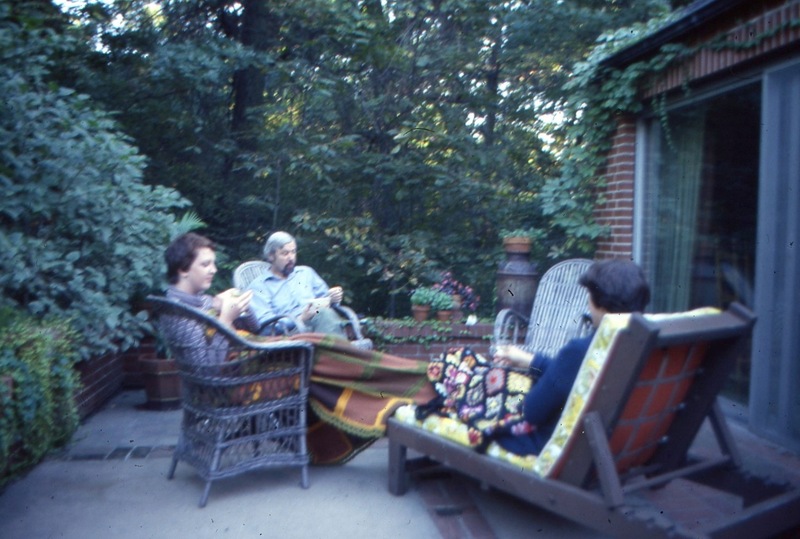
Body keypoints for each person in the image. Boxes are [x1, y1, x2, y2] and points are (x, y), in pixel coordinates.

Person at [160, 232, 436, 465]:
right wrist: (227, 318)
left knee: (324, 342)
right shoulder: (183, 311)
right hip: (255, 359)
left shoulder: (200, 300)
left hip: (277, 343)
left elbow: (251, 325)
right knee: (322, 355)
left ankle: (405, 385)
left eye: (213, 263)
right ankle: (413, 385)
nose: (213, 269)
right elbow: (211, 367)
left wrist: (236, 306)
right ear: (184, 269)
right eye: (205, 264)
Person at [490, 259, 651, 456]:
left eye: (589, 296)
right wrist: (532, 361)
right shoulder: (641, 346)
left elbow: (532, 411)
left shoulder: (580, 351)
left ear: (601, 306)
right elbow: (574, 375)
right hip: (623, 448)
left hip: (558, 449)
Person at [246, 231, 348, 338]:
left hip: (318, 323)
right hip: (288, 335)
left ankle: (336, 347)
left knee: (325, 314)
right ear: (271, 256)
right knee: (324, 314)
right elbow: (265, 326)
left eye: (293, 252)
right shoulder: (260, 286)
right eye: (285, 253)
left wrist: (333, 298)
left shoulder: (306, 273)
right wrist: (300, 319)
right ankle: (341, 347)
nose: (291, 258)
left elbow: (326, 300)